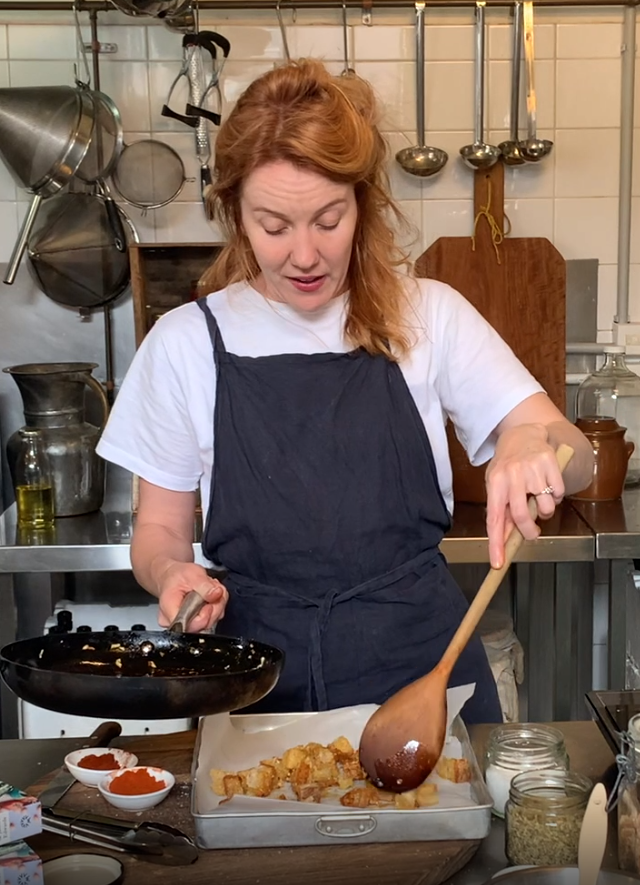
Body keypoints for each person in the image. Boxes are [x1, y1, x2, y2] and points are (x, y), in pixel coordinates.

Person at [97, 59, 592, 725]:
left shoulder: (428, 314)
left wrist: (530, 438)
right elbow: (159, 528)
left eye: (328, 219)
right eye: (274, 226)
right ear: (235, 214)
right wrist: (170, 574)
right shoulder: (185, 343)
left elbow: (579, 458)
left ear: (363, 201)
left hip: (424, 676)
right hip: (252, 682)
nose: (305, 254)